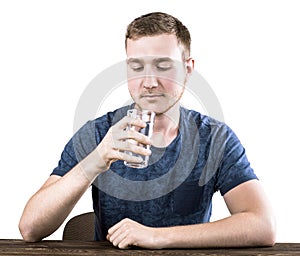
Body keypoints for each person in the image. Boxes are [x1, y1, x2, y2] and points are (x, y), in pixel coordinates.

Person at [19, 12, 276, 249]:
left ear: (188, 68)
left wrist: (156, 236)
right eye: (137, 67)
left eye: (163, 66)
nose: (150, 82)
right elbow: (30, 228)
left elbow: (262, 225)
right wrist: (97, 160)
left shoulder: (214, 138)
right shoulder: (99, 133)